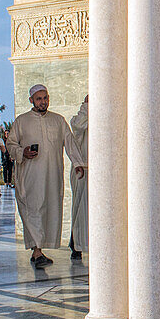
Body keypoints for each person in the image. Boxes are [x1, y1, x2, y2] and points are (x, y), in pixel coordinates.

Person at [7, 85, 85, 268]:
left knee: (48, 209)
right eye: (39, 99)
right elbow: (11, 144)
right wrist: (22, 152)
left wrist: (78, 163)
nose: (43, 102)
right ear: (31, 101)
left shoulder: (58, 120)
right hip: (31, 175)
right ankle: (37, 252)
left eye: (45, 98)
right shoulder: (22, 121)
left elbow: (70, 142)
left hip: (52, 175)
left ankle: (39, 250)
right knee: (33, 209)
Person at [68, 95, 89, 260]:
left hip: (102, 169)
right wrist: (87, 107)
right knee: (79, 208)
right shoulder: (79, 120)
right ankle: (76, 244)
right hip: (83, 168)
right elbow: (78, 126)